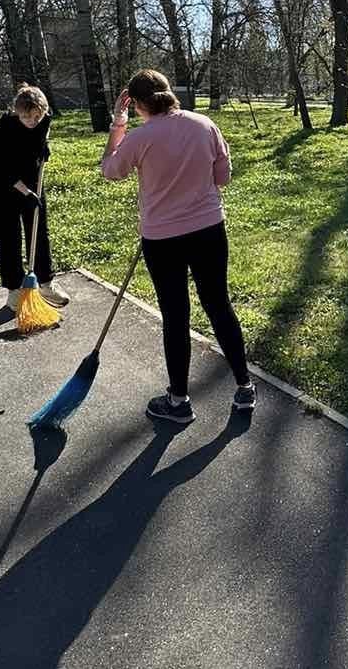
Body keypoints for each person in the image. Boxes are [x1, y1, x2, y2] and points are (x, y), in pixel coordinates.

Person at [100, 68, 254, 424]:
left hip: (162, 238)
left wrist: (117, 126)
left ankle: (179, 400)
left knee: (175, 313)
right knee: (218, 303)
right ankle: (245, 387)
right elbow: (223, 178)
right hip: (208, 230)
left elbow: (110, 170)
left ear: (136, 104)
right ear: (168, 92)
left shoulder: (139, 138)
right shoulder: (204, 125)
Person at [0, 84, 69, 312]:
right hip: (1, 186)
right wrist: (25, 192)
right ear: (16, 111)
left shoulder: (44, 120)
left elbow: (41, 138)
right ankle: (15, 289)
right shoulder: (3, 129)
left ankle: (46, 282)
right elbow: (4, 170)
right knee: (7, 237)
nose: (33, 121)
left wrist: (44, 147)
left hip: (31, 180)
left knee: (39, 232)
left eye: (37, 116)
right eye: (27, 116)